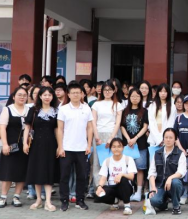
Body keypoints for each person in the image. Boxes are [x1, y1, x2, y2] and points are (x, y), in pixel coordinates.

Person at [57, 82, 94, 212]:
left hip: (82, 148)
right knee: (64, 176)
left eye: (78, 92)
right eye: (73, 93)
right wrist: (60, 147)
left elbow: (90, 128)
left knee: (82, 176)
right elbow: (60, 129)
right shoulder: (63, 109)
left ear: (82, 94)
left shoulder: (86, 108)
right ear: (68, 94)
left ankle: (80, 200)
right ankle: (64, 201)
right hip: (67, 147)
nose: (75, 95)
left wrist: (89, 145)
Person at [24, 86, 60, 212]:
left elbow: (57, 129)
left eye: (49, 95)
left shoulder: (56, 111)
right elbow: (27, 127)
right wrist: (24, 143)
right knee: (37, 171)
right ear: (40, 96)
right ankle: (39, 200)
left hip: (51, 144)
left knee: (49, 170)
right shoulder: (33, 110)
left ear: (52, 97)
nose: (47, 97)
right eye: (44, 95)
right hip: (36, 145)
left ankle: (48, 201)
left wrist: (60, 146)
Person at [0, 86, 30, 208]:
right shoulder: (7, 109)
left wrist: (26, 143)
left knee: (21, 171)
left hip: (25, 145)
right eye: (19, 95)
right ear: (14, 97)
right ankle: (3, 197)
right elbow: (2, 127)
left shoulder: (29, 109)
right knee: (8, 170)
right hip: (10, 144)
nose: (22, 97)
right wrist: (4, 144)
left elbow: (29, 128)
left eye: (24, 95)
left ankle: (16, 197)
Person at [91, 82, 122, 199]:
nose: (107, 92)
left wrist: (111, 138)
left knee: (113, 163)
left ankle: (111, 191)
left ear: (114, 91)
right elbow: (93, 121)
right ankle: (99, 190)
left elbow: (117, 123)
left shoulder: (117, 105)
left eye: (110, 89)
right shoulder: (96, 104)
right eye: (105, 90)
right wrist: (96, 136)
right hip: (98, 134)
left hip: (112, 134)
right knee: (97, 163)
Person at [94, 138, 137, 215]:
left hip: (126, 188)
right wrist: (99, 187)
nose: (116, 149)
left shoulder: (128, 159)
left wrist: (121, 174)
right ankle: (115, 200)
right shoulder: (107, 161)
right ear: (110, 148)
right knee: (98, 195)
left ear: (123, 148)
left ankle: (127, 206)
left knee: (123, 179)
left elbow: (131, 176)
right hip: (112, 187)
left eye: (119, 146)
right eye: (114, 147)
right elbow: (103, 177)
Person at [120, 88, 150, 202]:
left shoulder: (144, 111)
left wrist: (135, 138)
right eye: (132, 96)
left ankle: (138, 192)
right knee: (127, 168)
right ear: (129, 98)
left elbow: (145, 126)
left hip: (140, 144)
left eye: (137, 96)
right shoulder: (124, 111)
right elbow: (122, 126)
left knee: (140, 168)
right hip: (127, 144)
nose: (135, 98)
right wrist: (128, 139)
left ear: (140, 98)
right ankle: (129, 190)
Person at [149, 128, 186, 214]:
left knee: (175, 182)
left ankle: (176, 206)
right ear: (163, 139)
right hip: (160, 186)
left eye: (171, 137)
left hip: (174, 186)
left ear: (175, 139)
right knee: (154, 201)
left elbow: (181, 172)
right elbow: (152, 173)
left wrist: (170, 178)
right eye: (166, 137)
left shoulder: (180, 154)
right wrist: (153, 188)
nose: (168, 140)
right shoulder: (157, 153)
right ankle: (164, 203)